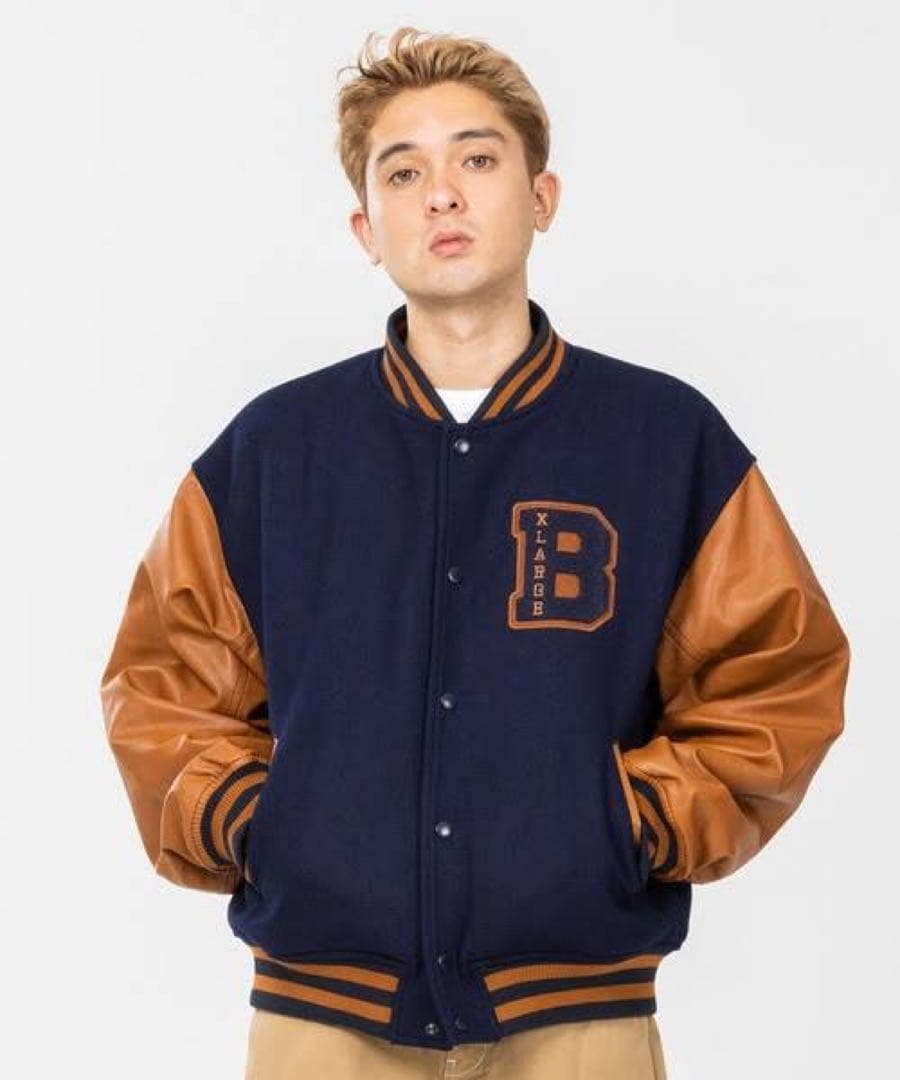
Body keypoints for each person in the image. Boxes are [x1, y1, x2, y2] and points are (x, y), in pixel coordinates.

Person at [99, 25, 851, 1080]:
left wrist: (626, 823)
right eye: (402, 173)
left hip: (580, 1016)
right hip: (323, 1017)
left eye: (477, 158)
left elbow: (780, 676)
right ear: (367, 227)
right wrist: (263, 823)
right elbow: (162, 686)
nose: (441, 195)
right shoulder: (274, 449)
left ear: (542, 198)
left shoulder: (663, 438)